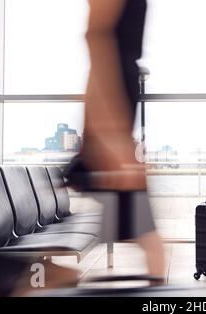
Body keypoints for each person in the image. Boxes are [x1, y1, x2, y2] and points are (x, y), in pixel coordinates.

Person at [69, 0, 166, 279]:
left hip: (116, 112)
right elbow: (96, 39)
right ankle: (10, 278)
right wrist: (112, 137)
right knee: (149, 238)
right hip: (111, 121)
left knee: (148, 238)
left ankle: (24, 279)